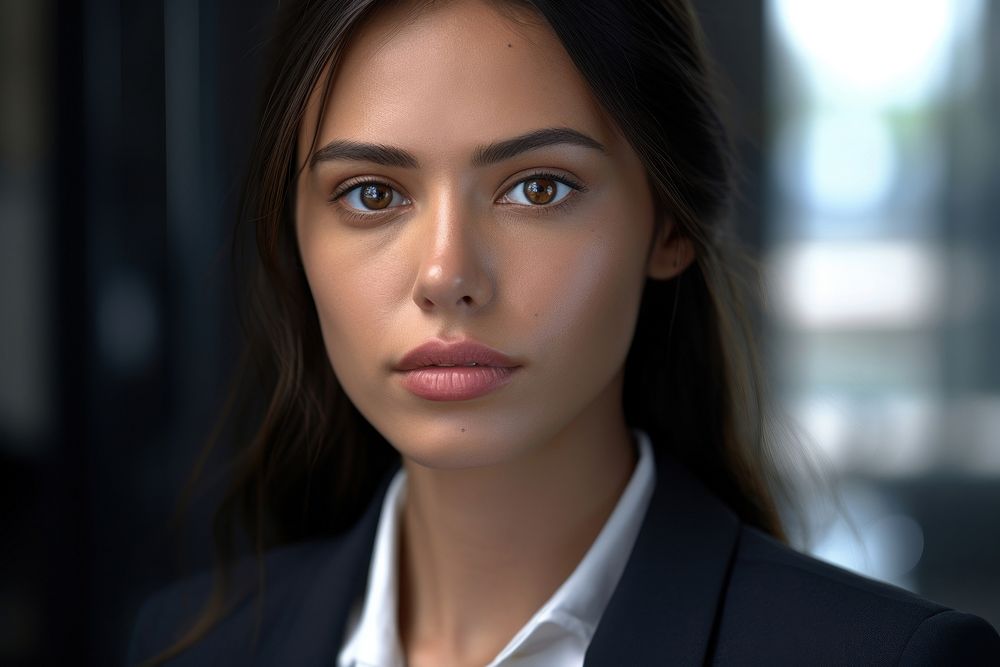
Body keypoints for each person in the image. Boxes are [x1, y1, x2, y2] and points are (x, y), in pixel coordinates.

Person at [128, 0, 1000, 665]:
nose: (445, 275)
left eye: (537, 188)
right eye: (372, 194)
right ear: (297, 236)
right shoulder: (189, 642)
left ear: (668, 224)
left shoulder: (886, 656)